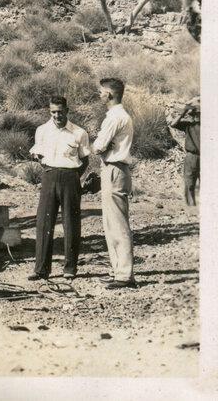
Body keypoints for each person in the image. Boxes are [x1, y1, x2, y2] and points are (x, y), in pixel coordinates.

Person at [28, 96, 91, 281]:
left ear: (67, 111)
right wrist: (46, 167)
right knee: (43, 222)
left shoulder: (79, 133)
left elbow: (84, 159)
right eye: (53, 112)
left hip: (70, 177)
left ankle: (70, 268)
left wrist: (72, 176)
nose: (57, 116)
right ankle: (41, 269)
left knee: (70, 222)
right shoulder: (42, 130)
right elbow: (38, 154)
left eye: (60, 112)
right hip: (48, 175)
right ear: (50, 111)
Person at [93, 78, 136, 289]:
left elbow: (99, 146)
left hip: (114, 168)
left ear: (109, 94)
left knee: (117, 222)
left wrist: (99, 144)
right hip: (115, 168)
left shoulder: (115, 118)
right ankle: (118, 269)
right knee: (111, 222)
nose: (99, 95)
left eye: (102, 92)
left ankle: (124, 274)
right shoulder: (118, 116)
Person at [170, 97, 200, 206]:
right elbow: (173, 124)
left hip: (200, 157)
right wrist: (183, 111)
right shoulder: (188, 125)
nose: (194, 117)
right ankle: (191, 208)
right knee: (189, 183)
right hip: (191, 156)